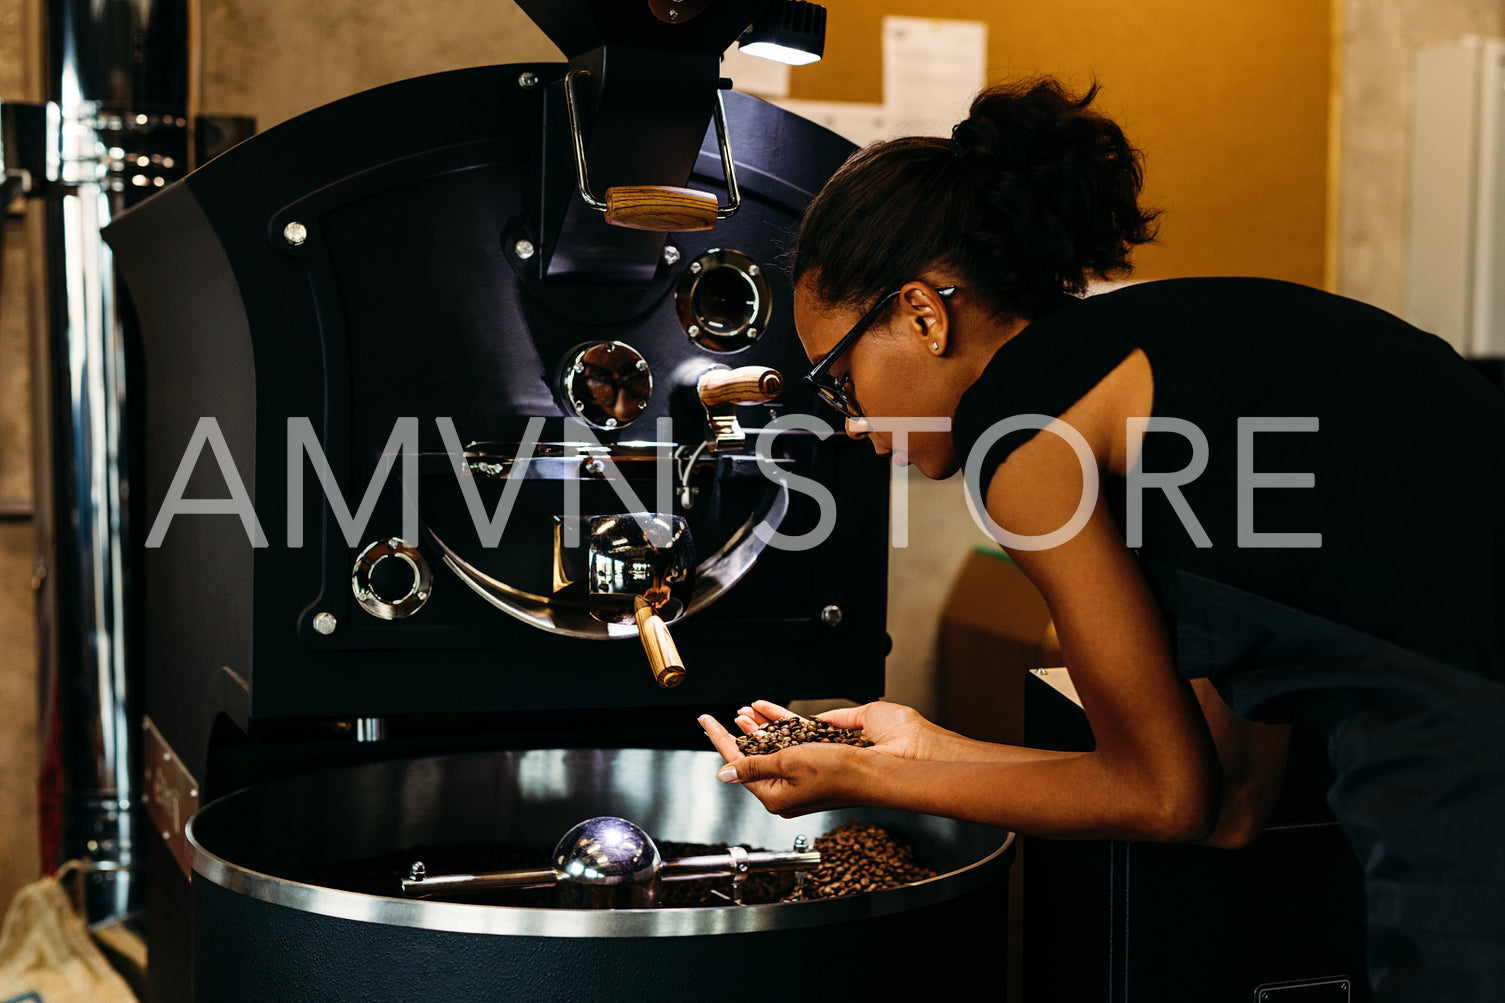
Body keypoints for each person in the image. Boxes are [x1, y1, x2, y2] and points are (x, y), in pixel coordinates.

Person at [697, 77, 1505, 1002]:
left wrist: (866, 779)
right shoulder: (1166, 370)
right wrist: (915, 743)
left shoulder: (1024, 432)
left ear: (922, 315)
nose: (855, 426)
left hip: (1467, 777)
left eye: (839, 380)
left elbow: (1159, 797)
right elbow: (1229, 799)